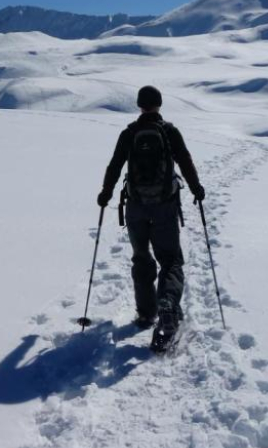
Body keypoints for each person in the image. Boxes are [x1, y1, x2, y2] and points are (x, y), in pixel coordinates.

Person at [97, 85, 205, 351]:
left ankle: (146, 313)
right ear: (159, 104)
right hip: (164, 206)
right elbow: (185, 161)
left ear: (139, 105)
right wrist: (196, 189)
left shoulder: (129, 133)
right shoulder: (169, 131)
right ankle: (168, 306)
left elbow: (115, 165)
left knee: (141, 258)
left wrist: (106, 193)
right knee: (170, 260)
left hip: (135, 207)